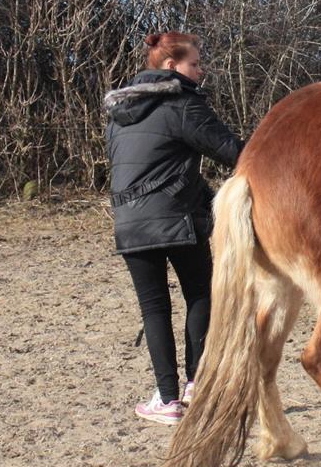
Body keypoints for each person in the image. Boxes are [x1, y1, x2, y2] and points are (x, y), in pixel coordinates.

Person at [104, 32, 243, 425]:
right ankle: (196, 385)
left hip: (129, 222)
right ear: (170, 67)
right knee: (200, 294)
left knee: (154, 308)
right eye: (194, 64)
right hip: (177, 219)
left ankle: (166, 400)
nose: (201, 71)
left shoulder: (118, 114)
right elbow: (234, 152)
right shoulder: (183, 104)